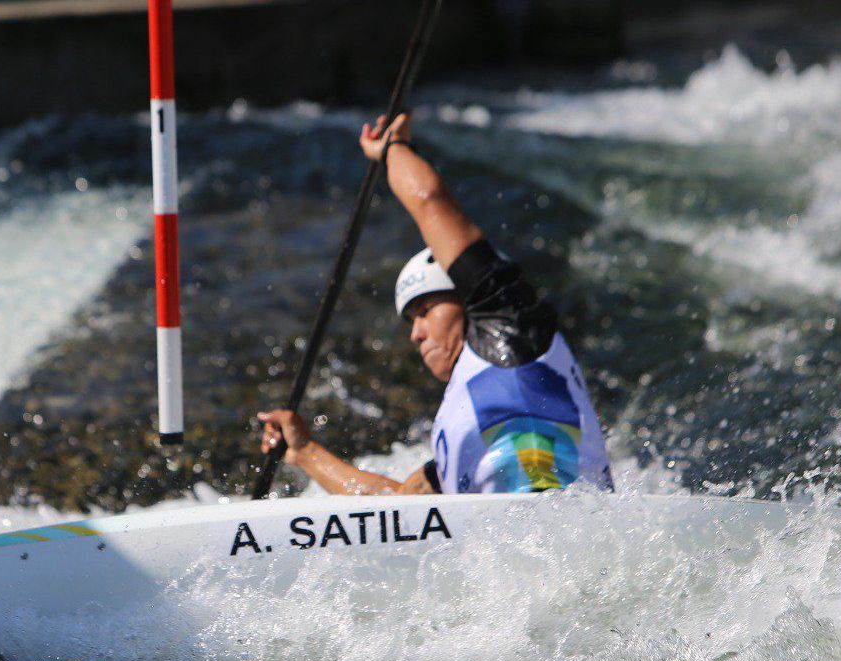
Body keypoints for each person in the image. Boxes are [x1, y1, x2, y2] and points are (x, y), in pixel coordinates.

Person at [257, 113, 614, 495]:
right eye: (411, 320)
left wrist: (394, 150)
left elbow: (429, 201)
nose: (415, 334)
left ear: (468, 304)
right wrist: (306, 452)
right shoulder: (471, 433)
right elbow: (397, 510)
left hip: (566, 530)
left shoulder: (512, 326)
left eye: (426, 311)